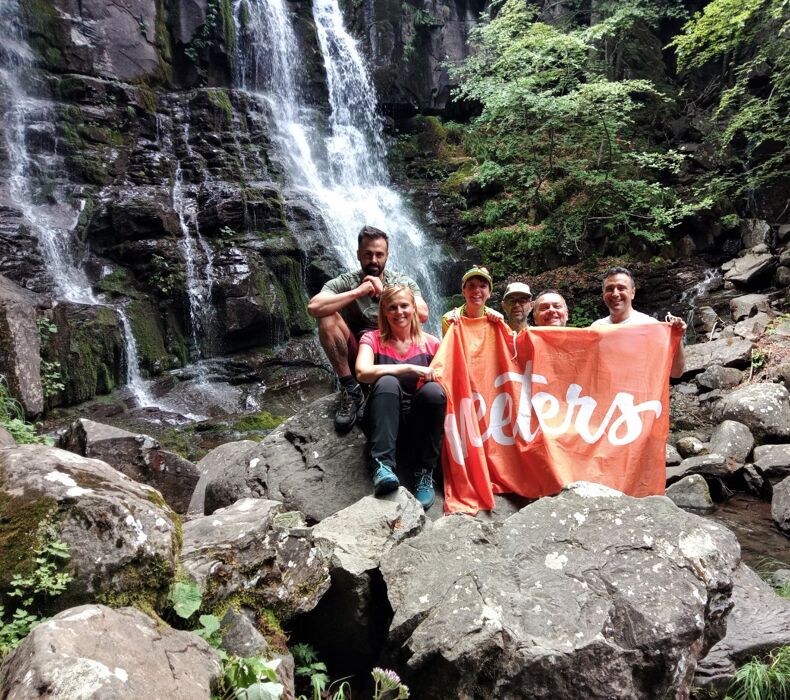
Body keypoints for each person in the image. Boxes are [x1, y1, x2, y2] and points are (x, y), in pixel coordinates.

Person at [307, 226, 428, 433]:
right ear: (358, 255)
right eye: (368, 254)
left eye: (379, 254)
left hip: (396, 355)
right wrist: (357, 292)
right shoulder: (347, 281)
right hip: (360, 356)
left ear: (387, 255)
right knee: (326, 316)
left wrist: (385, 294)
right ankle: (352, 389)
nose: (373, 260)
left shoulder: (402, 282)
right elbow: (314, 307)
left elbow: (423, 314)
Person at [355, 285, 445, 509]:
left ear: (414, 308)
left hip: (418, 425)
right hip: (382, 419)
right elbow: (362, 372)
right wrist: (408, 368)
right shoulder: (372, 339)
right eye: (392, 308)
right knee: (387, 381)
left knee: (434, 391)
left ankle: (425, 472)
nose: (399, 312)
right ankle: (382, 466)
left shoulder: (433, 343)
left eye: (404, 306)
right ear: (384, 312)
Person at [591, 266, 686, 378]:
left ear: (633, 293)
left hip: (640, 394)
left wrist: (676, 338)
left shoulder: (650, 326)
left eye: (621, 288)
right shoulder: (595, 328)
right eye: (609, 289)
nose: (615, 294)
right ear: (603, 294)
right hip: (606, 393)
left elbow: (676, 372)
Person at [442, 266, 504, 336]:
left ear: (489, 293)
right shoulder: (449, 320)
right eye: (471, 285)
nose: (476, 291)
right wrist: (453, 328)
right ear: (463, 291)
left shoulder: (496, 319)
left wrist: (499, 323)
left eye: (483, 286)